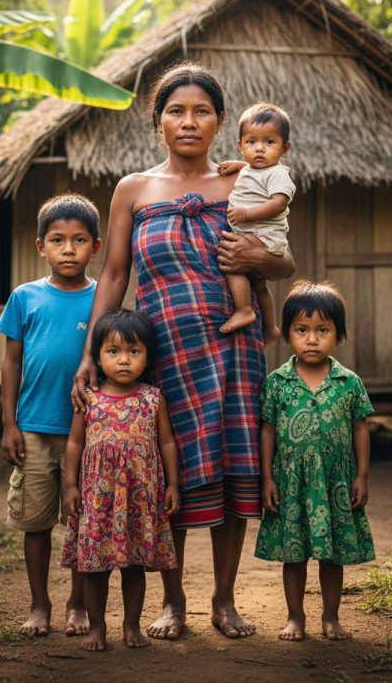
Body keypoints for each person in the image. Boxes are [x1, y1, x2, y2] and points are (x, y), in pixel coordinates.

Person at [72, 62, 294, 641]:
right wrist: (90, 355)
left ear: (220, 122)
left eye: (201, 111)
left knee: (230, 473)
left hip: (235, 349)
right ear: (159, 121)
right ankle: (172, 602)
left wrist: (257, 255)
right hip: (162, 353)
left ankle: (223, 600)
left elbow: (284, 262)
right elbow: (115, 274)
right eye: (176, 110)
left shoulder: (244, 182)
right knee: (164, 476)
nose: (189, 121)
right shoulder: (134, 189)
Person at [0, 193, 102, 637]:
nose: (68, 249)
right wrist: (9, 423)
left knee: (81, 522)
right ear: (41, 246)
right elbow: (11, 363)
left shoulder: (103, 301)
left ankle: (77, 605)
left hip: (91, 433)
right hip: (35, 428)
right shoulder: (25, 298)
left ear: (96, 247)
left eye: (79, 240)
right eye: (57, 240)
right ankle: (40, 604)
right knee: (36, 522)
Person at [254, 280, 375, 642]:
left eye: (322, 330)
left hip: (335, 482)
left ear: (338, 335)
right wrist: (266, 478)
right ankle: (295, 617)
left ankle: (331, 617)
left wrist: (362, 476)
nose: (311, 339)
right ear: (288, 333)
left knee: (331, 553)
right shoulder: (276, 383)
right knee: (294, 554)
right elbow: (268, 431)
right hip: (291, 482)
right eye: (301, 330)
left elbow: (360, 429)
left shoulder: (348, 382)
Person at [61, 309, 180, 651]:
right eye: (113, 351)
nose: (124, 360)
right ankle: (97, 628)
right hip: (98, 500)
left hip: (139, 500)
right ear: (97, 356)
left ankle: (131, 625)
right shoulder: (89, 400)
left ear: (147, 357)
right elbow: (74, 443)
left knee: (135, 567)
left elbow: (167, 442)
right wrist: (70, 485)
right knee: (95, 570)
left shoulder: (152, 398)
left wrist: (172, 484)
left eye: (134, 351)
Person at [217, 102, 295, 344]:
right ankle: (271, 327)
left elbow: (278, 204)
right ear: (240, 146)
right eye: (252, 142)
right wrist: (238, 165)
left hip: (263, 235)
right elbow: (253, 171)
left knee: (233, 264)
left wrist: (247, 214)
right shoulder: (251, 169)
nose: (259, 149)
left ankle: (244, 310)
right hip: (255, 232)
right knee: (259, 285)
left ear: (285, 148)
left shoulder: (279, 174)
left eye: (269, 142)